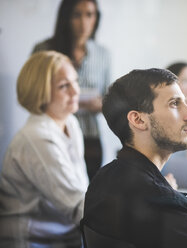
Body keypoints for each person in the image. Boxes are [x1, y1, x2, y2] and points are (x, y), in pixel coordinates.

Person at [82, 68, 187, 248]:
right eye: (174, 103)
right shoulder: (167, 206)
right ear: (138, 120)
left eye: (185, 103)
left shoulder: (101, 179)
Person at [0, 51, 89, 247]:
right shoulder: (36, 137)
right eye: (64, 86)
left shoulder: (70, 123)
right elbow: (76, 206)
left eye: (75, 81)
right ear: (40, 91)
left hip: (62, 234)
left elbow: (81, 189)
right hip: (32, 240)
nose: (76, 91)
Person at [33, 0, 111, 181]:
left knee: (88, 188)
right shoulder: (44, 50)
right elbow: (34, 93)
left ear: (96, 19)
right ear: (66, 17)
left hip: (89, 135)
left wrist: (99, 104)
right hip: (53, 132)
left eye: (89, 15)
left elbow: (110, 98)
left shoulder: (103, 54)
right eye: (77, 15)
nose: (84, 22)